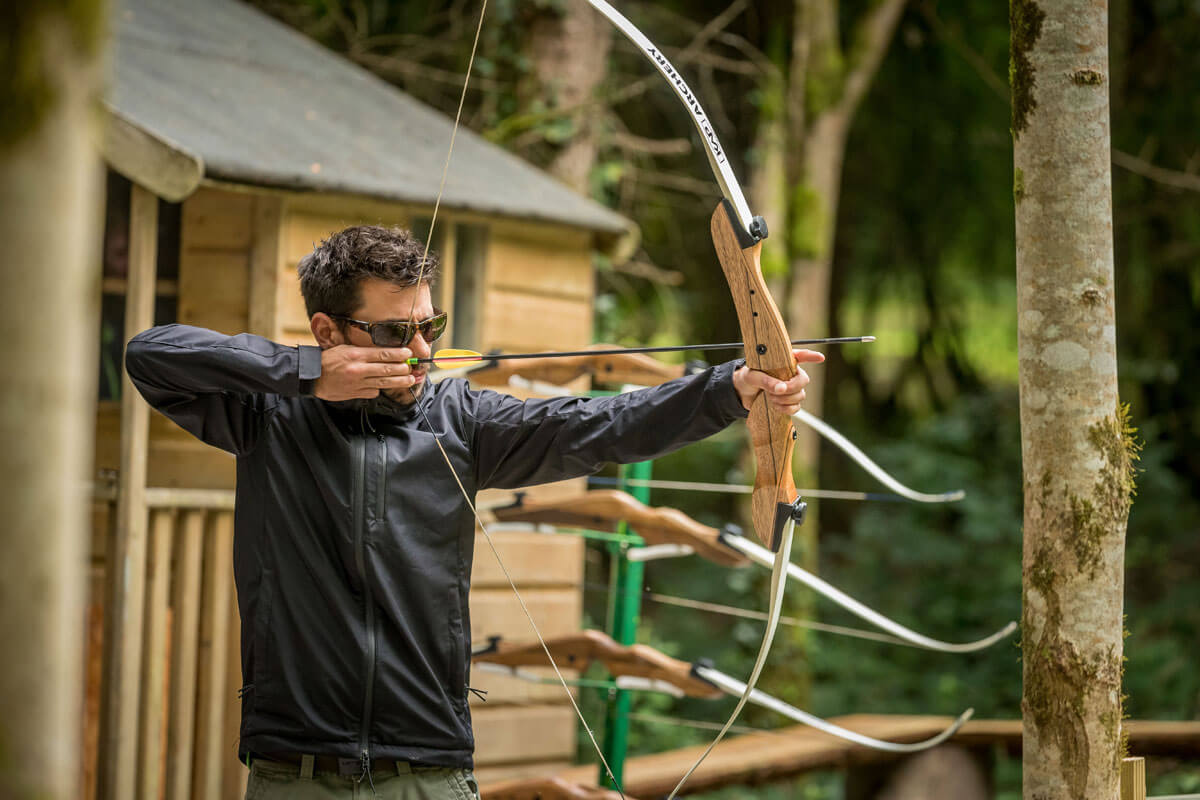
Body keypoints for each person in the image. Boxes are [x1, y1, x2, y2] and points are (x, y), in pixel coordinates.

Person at [125, 225, 821, 800]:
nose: (423, 351)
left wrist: (730, 390)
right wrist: (305, 375)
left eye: (433, 326)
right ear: (327, 331)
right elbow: (150, 356)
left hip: (428, 770)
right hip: (293, 774)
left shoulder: (462, 419)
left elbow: (600, 426)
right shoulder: (267, 415)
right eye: (397, 332)